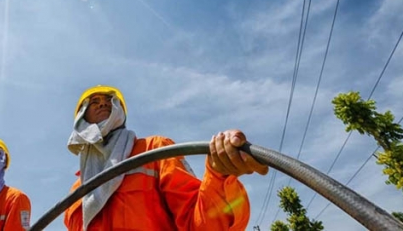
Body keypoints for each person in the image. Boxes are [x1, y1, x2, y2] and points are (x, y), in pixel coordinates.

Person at [64, 85, 268, 231]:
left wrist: (220, 177)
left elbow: (199, 224)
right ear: (82, 117)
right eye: (95, 102)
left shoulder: (154, 150)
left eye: (109, 101)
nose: (103, 105)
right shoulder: (76, 193)